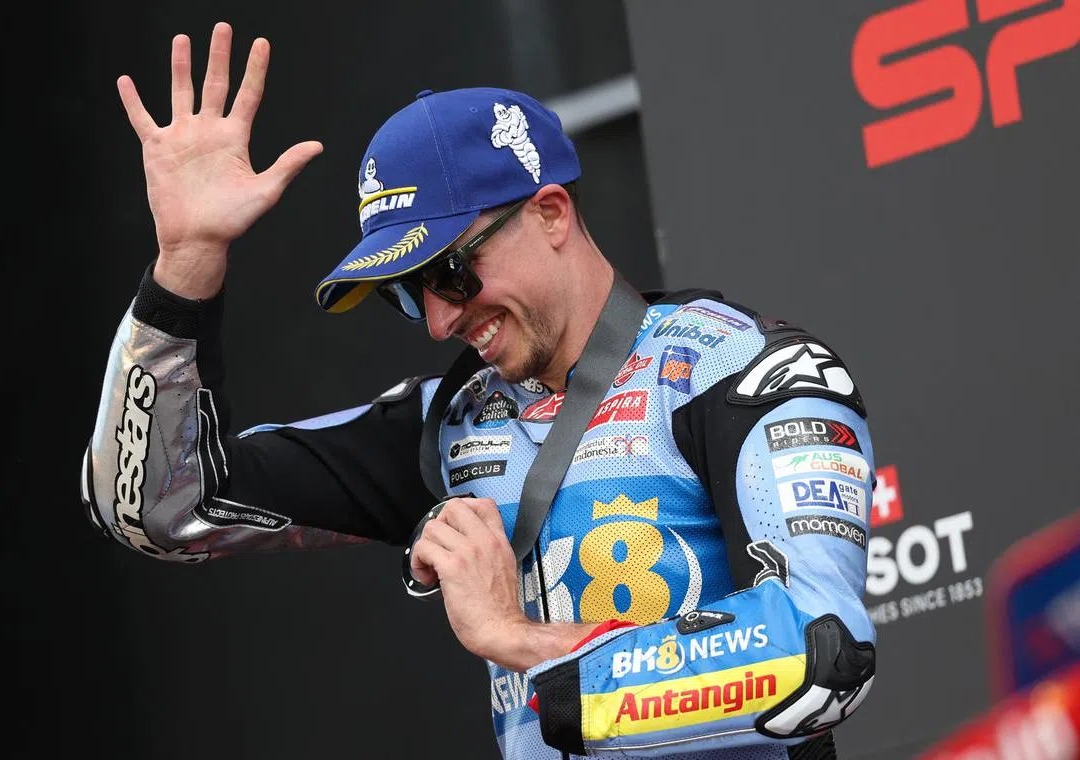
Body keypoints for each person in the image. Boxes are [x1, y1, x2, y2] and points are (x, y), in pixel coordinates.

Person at [82, 21, 878, 760]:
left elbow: (824, 651)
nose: (438, 321)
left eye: (451, 273)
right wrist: (186, 266)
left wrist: (519, 638)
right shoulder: (447, 424)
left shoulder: (739, 373)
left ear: (551, 213)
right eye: (407, 292)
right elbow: (163, 509)